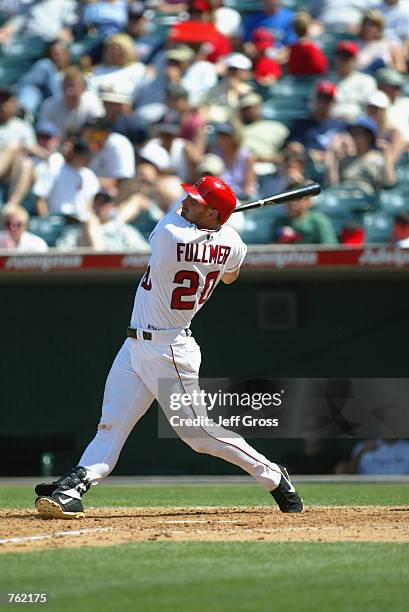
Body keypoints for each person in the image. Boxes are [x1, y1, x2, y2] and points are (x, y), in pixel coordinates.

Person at [34, 175, 303, 519]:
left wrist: (211, 231)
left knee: (200, 436)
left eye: (197, 202)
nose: (186, 202)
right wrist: (218, 234)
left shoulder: (169, 233)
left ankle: (273, 475)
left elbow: (178, 212)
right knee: (110, 426)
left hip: (170, 350)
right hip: (135, 346)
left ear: (213, 215)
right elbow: (232, 275)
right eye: (190, 198)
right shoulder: (234, 243)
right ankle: (75, 486)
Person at [56, 188, 150, 252]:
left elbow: (141, 253)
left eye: (106, 203)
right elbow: (63, 252)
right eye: (99, 202)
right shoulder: (76, 229)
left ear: (113, 206)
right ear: (93, 204)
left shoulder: (123, 230)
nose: (102, 206)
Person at [325, 116, 396, 193]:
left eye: (358, 133)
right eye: (351, 133)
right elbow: (332, 186)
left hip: (368, 200)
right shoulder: (344, 158)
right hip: (344, 198)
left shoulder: (378, 158)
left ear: (369, 136)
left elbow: (389, 183)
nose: (353, 136)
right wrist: (332, 154)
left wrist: (386, 156)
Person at [32, 139, 100, 218]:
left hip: (78, 221)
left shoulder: (90, 176)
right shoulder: (55, 166)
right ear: (75, 153)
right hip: (55, 218)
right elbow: (40, 198)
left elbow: (88, 206)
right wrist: (46, 221)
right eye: (85, 156)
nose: (88, 160)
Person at [39, 67, 104, 137]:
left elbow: (99, 131)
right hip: (55, 143)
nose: (69, 93)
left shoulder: (93, 104)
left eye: (73, 88)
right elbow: (43, 133)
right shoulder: (49, 106)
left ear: (83, 89)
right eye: (66, 87)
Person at [271, 179, 338, 244]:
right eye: (288, 200)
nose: (292, 204)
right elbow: (270, 251)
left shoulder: (319, 221)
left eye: (297, 199)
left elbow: (329, 250)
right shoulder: (279, 223)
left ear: (308, 201)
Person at [331, 41, 377, 122]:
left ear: (355, 60)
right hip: (330, 124)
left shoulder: (366, 81)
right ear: (335, 58)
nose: (343, 60)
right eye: (340, 56)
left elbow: (369, 109)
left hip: (357, 124)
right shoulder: (325, 81)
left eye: (347, 57)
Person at [355, 9, 406, 74]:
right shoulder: (354, 43)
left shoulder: (388, 44)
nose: (367, 28)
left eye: (372, 25)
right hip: (360, 77)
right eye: (365, 24)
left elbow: (401, 68)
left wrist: (387, 67)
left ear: (379, 27)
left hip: (382, 79)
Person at [287, 12, 328, 76]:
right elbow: (320, 68)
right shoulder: (311, 47)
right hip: (311, 82)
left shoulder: (293, 47)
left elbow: (291, 69)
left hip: (297, 82)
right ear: (308, 27)